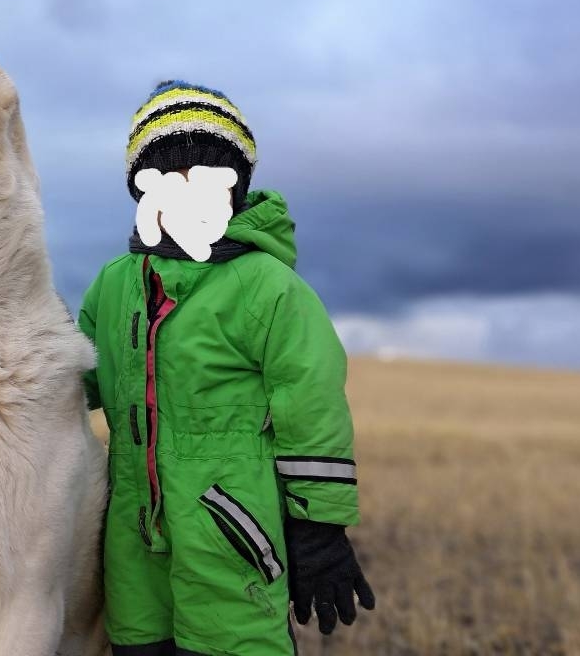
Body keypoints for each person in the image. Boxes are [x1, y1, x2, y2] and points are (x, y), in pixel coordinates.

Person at [79, 81, 374, 656]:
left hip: (232, 531)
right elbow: (71, 380)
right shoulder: (114, 285)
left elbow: (310, 402)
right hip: (131, 541)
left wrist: (319, 529)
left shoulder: (269, 286)